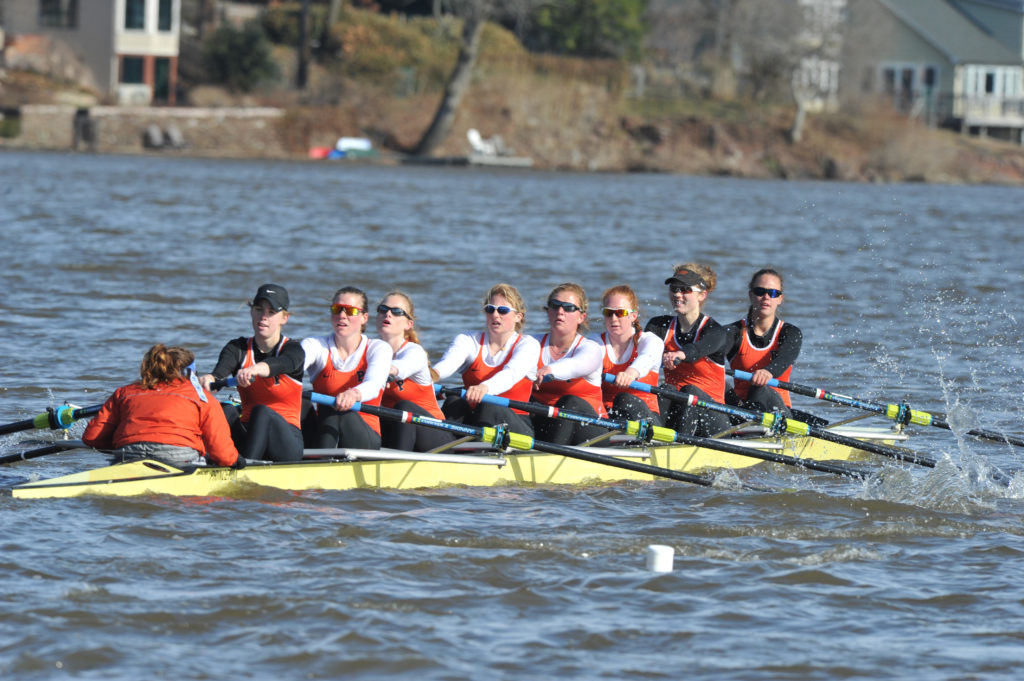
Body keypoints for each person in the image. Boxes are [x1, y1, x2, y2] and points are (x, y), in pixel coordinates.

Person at [84, 344, 242, 468]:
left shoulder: (124, 392)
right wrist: (236, 462)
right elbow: (222, 454)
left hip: (128, 454)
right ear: (189, 373)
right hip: (178, 458)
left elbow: (91, 437)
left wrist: (125, 442)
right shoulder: (204, 399)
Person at [200, 283, 305, 462]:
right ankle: (203, 458)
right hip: (249, 435)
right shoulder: (237, 348)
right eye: (259, 309)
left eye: (271, 312)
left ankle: (245, 468)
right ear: (251, 312)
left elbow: (280, 364)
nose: (263, 317)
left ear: (284, 318)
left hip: (286, 442)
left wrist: (255, 369)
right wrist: (208, 380)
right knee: (223, 408)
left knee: (261, 412)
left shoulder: (293, 350)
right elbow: (218, 374)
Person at [431, 283, 540, 436]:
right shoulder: (468, 340)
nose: (495, 315)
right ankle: (443, 446)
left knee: (489, 403)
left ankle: (474, 451)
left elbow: (511, 374)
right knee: (453, 401)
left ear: (518, 317)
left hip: (517, 426)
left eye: (503, 310)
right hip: (475, 421)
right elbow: (447, 365)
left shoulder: (528, 345)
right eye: (490, 309)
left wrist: (485, 388)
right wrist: (429, 376)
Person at [645, 263, 731, 437]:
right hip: (678, 407)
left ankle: (677, 446)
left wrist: (680, 354)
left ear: (702, 295)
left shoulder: (715, 331)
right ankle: (653, 439)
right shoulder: (658, 326)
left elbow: (697, 350)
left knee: (689, 392)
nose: (677, 294)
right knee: (666, 389)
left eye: (685, 290)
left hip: (714, 417)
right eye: (674, 289)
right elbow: (641, 353)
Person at [303, 286, 392, 450]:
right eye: (337, 309)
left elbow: (374, 384)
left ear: (364, 317)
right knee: (298, 401)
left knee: (340, 411)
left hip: (365, 436)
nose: (342, 315)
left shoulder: (378, 348)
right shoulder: (315, 345)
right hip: (324, 431)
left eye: (350, 311)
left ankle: (319, 463)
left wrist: (354, 393)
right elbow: (296, 362)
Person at [374, 290, 455, 452]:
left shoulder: (414, 352)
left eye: (396, 312)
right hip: (396, 429)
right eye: (383, 309)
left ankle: (395, 468)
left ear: (408, 324)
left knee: (404, 406)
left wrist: (379, 371)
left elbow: (402, 367)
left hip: (436, 436)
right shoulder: (371, 349)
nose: (388, 314)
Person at [531, 283, 607, 445]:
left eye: (569, 308)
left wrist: (550, 369)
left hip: (592, 430)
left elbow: (574, 365)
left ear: (582, 317)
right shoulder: (530, 344)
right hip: (548, 424)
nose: (560, 312)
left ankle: (547, 457)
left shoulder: (590, 348)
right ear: (548, 311)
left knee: (570, 403)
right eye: (555, 306)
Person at [725, 268, 802, 416]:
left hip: (777, 411)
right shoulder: (733, 332)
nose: (766, 297)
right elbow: (711, 351)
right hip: (740, 408)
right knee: (716, 384)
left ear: (779, 299)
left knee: (759, 388)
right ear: (751, 295)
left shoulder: (790, 333)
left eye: (773, 293)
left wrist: (768, 372)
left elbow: (784, 359)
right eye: (760, 291)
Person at [598, 284, 665, 425]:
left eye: (620, 313)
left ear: (633, 316)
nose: (614, 318)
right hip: (607, 415)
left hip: (647, 418)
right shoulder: (595, 343)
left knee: (624, 399)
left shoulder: (649, 341)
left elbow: (648, 356)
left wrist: (631, 372)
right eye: (609, 313)